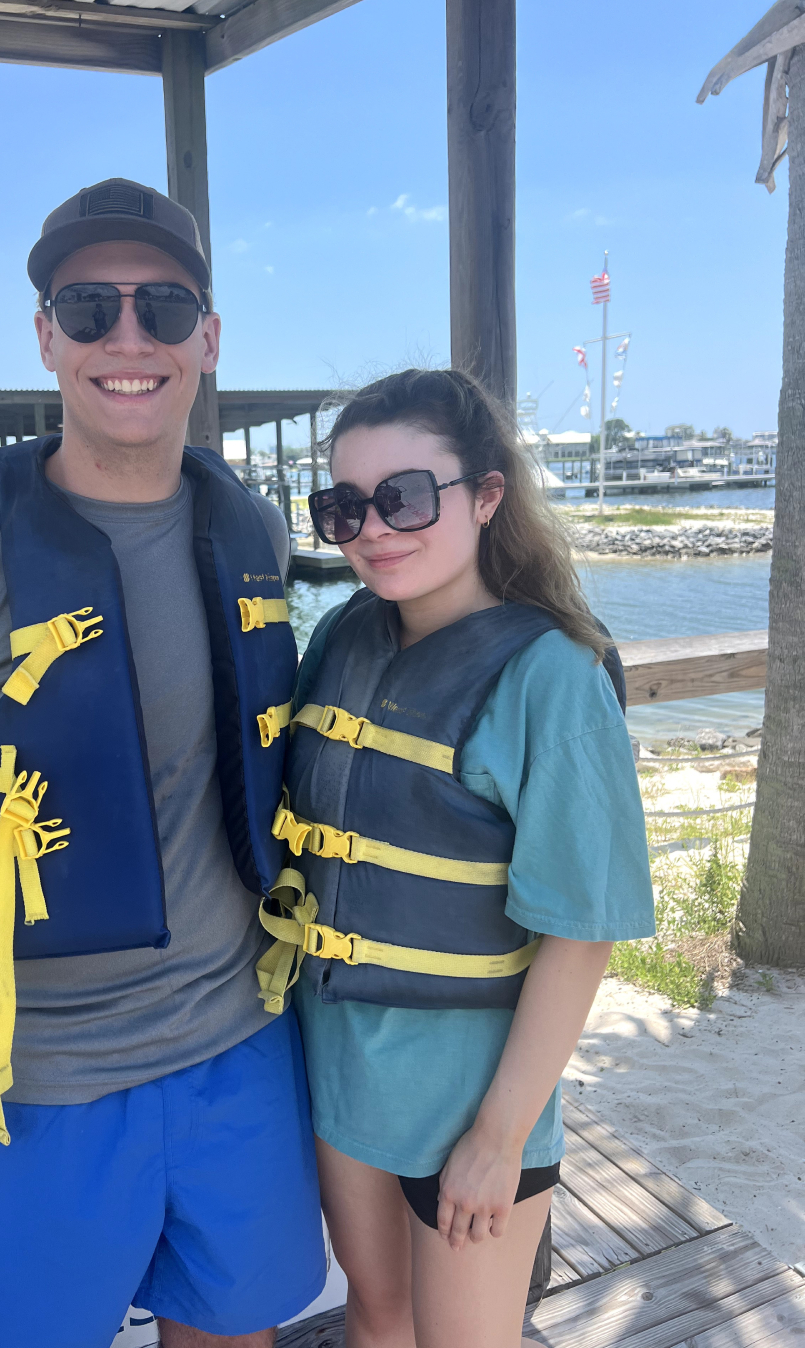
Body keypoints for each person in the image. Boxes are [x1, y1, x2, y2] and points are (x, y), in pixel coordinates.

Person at [0, 179, 326, 1348]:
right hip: (25, 1084)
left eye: (164, 305)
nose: (129, 338)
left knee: (234, 1327)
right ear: (46, 337)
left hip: (237, 1040)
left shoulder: (250, 529)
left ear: (210, 335)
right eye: (90, 307)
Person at [256, 368, 655, 1348]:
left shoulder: (552, 679)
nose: (373, 529)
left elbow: (583, 931)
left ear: (485, 495)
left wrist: (499, 1135)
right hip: (344, 1067)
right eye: (345, 506)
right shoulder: (346, 634)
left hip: (474, 1096)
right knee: (378, 1319)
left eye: (404, 496)